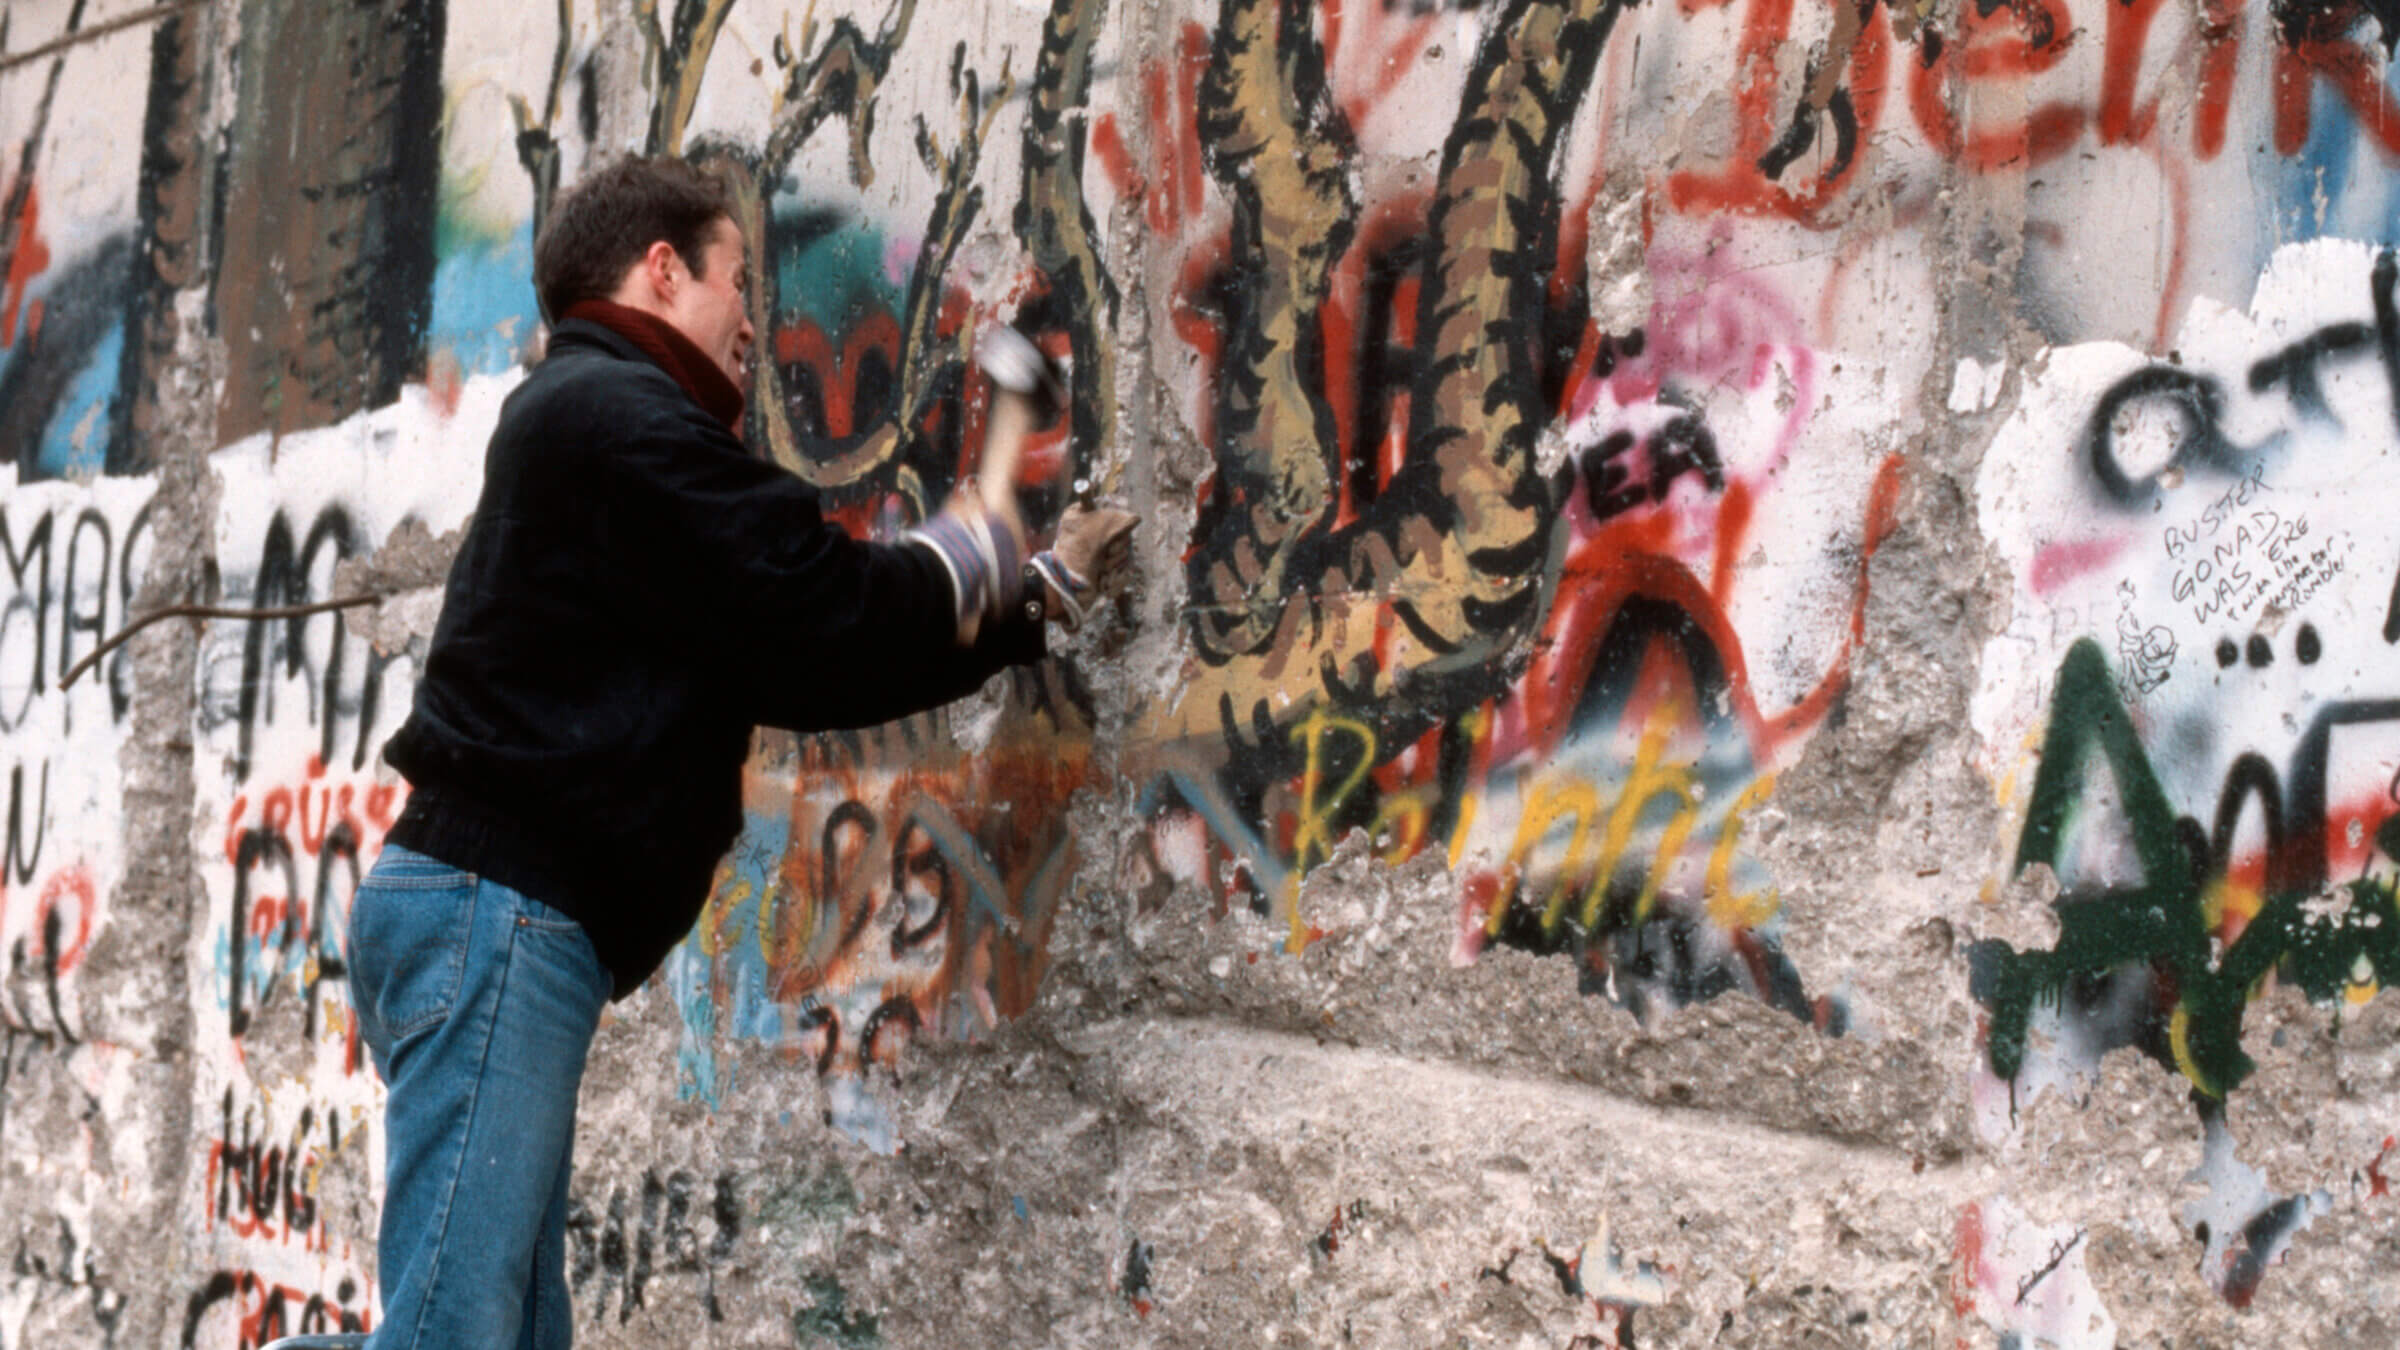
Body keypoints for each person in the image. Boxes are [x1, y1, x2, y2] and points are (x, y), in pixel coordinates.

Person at [344, 155, 1134, 1350]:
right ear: (662, 271)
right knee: (457, 1339)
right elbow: (819, 608)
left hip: (492, 917)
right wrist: (1033, 591)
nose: (757, 327)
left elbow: (794, 650)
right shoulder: (611, 418)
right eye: (737, 285)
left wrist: (1009, 592)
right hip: (494, 916)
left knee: (497, 1336)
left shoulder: (589, 423)